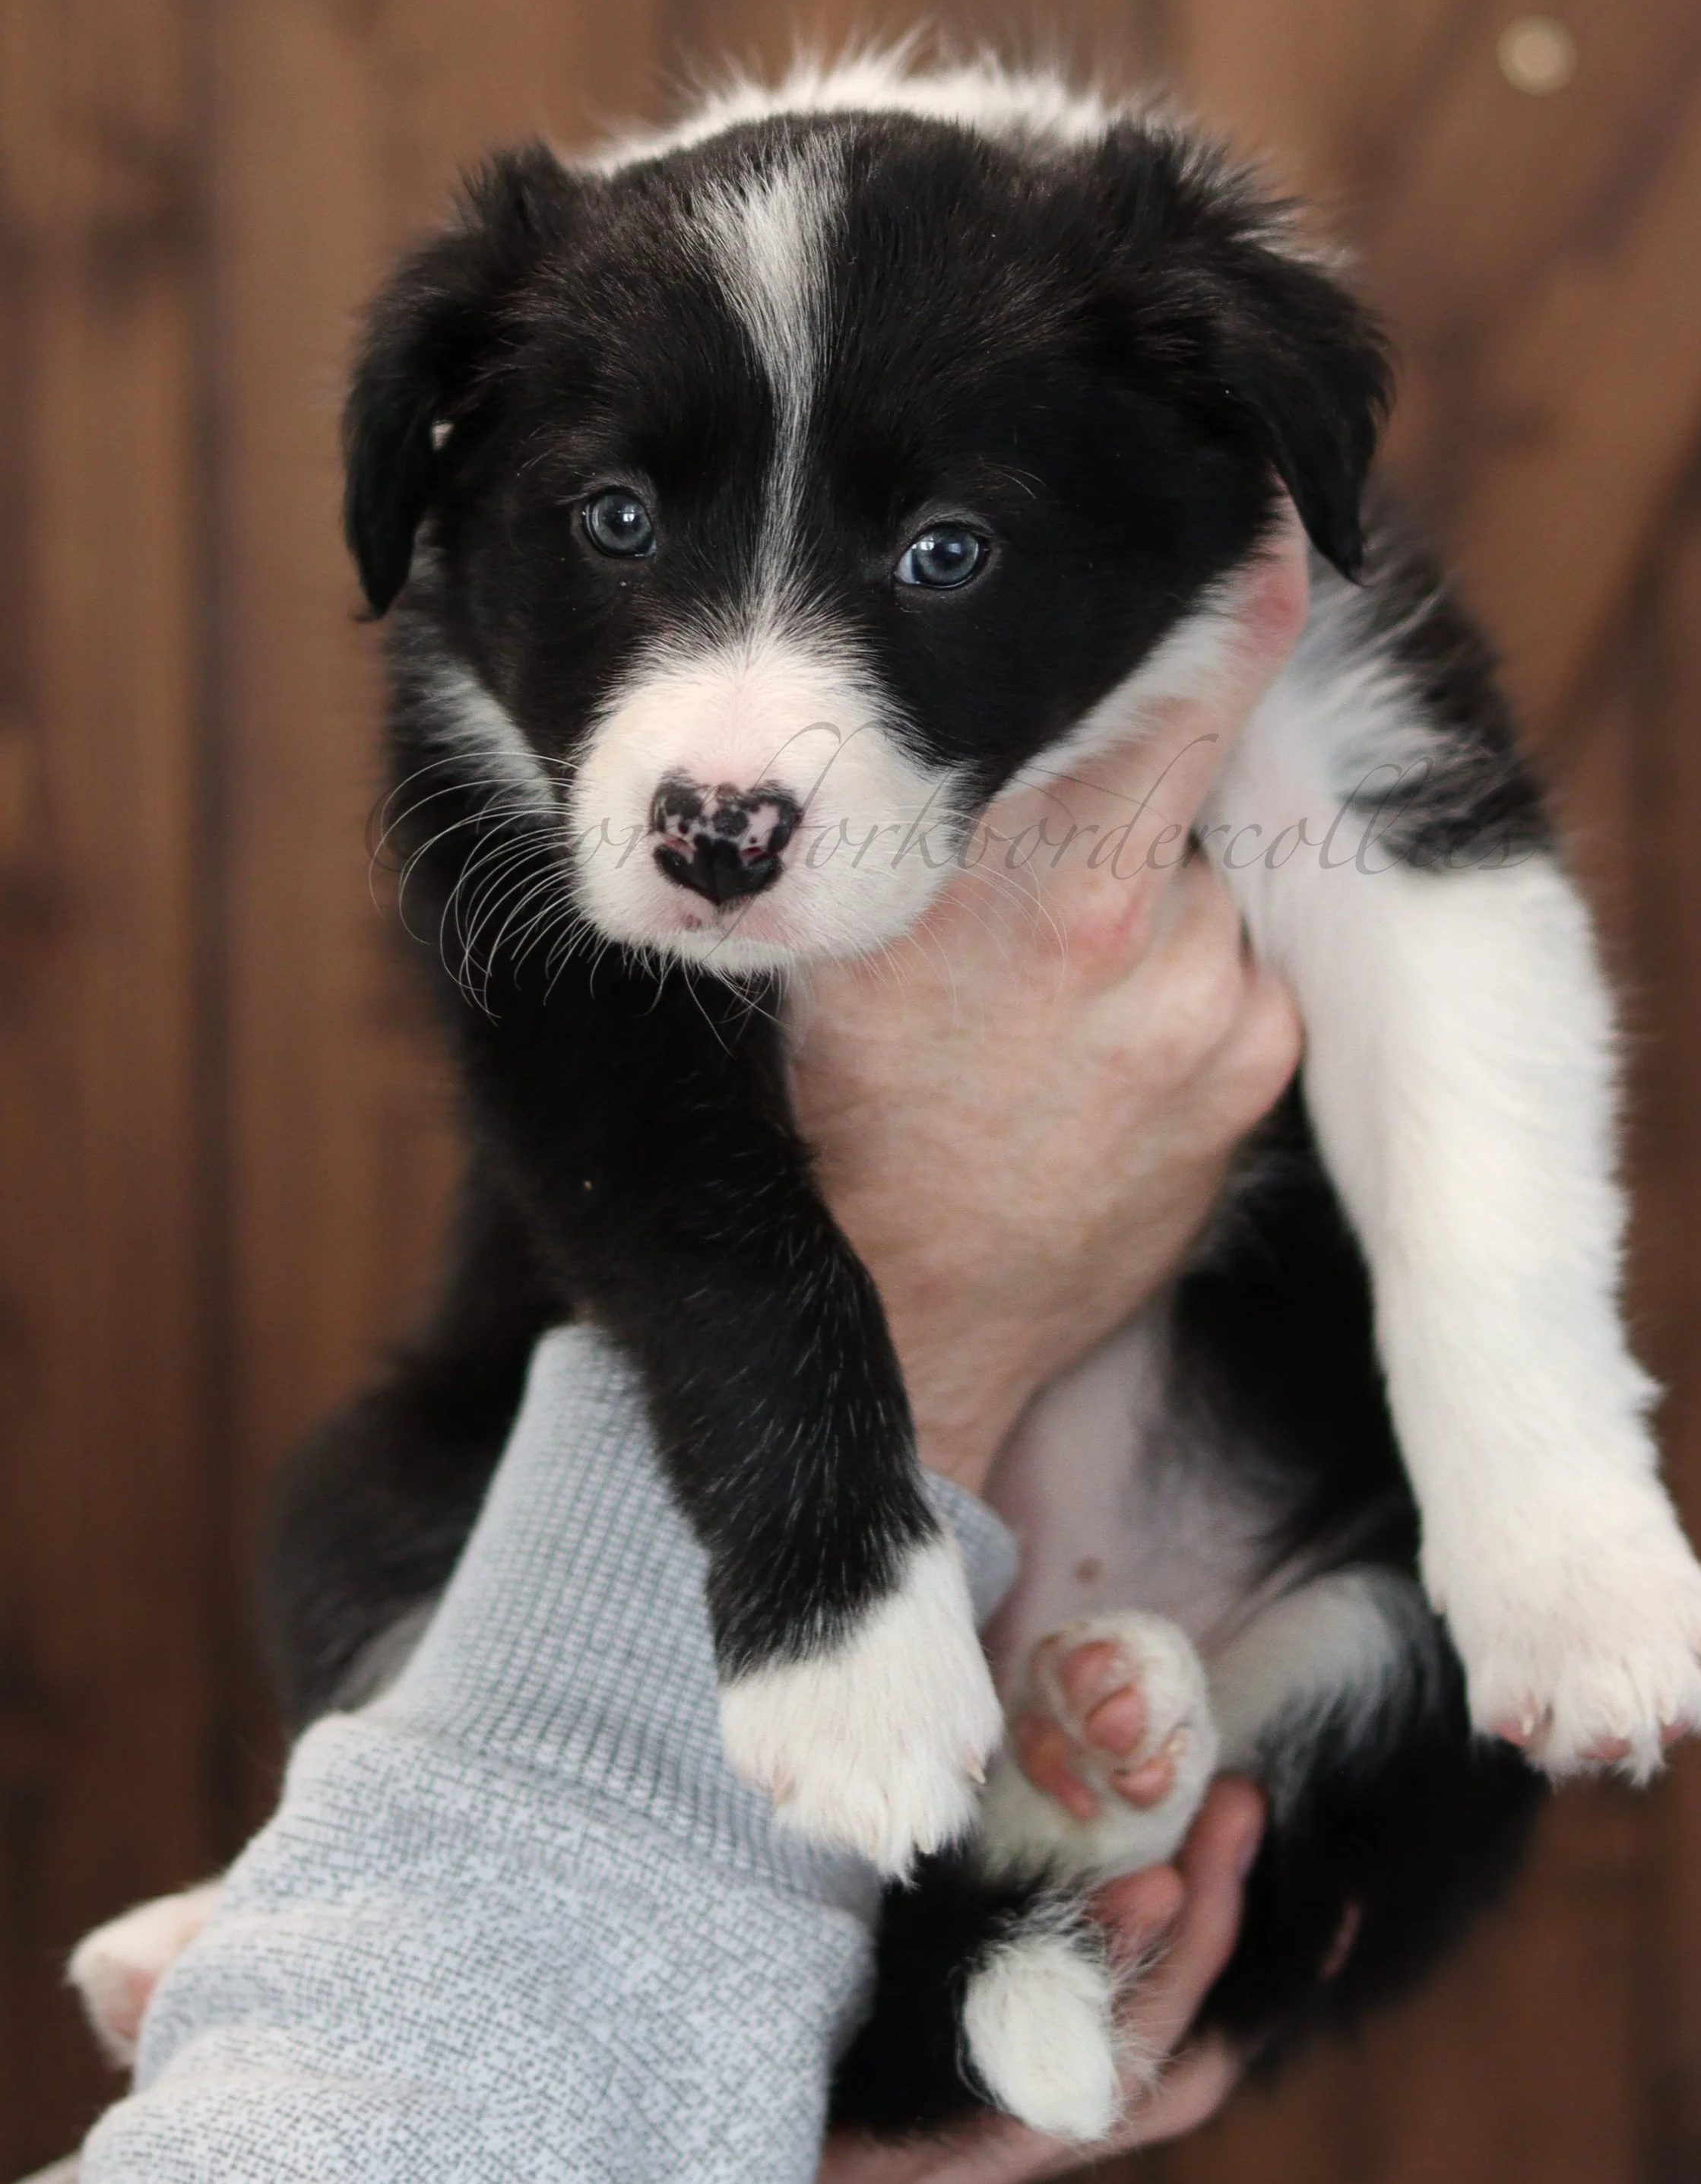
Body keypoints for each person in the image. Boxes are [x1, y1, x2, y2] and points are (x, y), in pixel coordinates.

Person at [77, 555, 1310, 2184]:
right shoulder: (537, 795)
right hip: (749, 1592)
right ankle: (408, 1878)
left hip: (1151, 1576)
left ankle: (415, 1905)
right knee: (350, 1512)